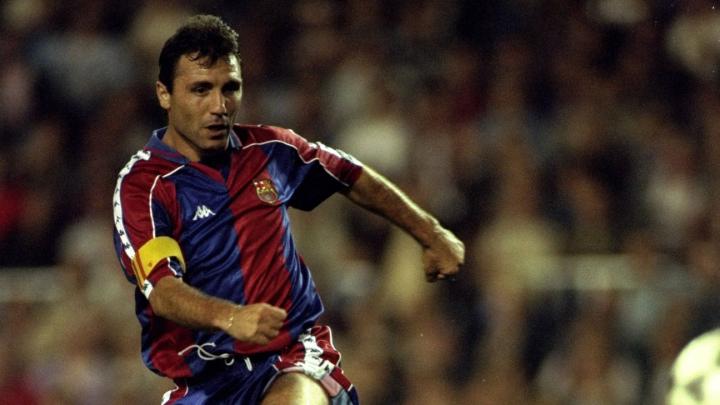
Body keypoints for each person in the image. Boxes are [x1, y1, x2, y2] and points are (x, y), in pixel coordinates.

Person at [112, 14, 464, 405]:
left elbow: (350, 176)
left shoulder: (271, 152)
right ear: (164, 94)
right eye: (200, 89)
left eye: (230, 88)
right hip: (205, 385)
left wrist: (431, 233)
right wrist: (231, 317)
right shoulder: (143, 187)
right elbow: (162, 290)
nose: (219, 106)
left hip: (291, 359)